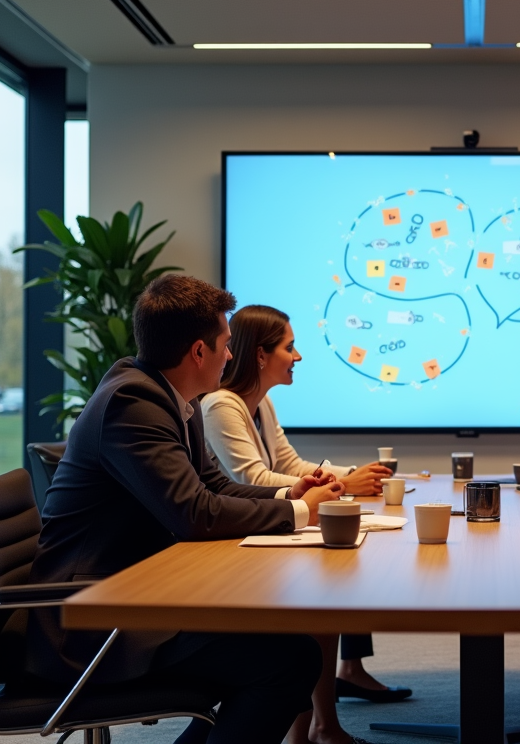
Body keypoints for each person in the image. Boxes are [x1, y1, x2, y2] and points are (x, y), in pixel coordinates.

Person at [27, 275, 345, 744]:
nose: (231, 355)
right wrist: (301, 515)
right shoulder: (132, 403)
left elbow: (213, 485)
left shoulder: (169, 396)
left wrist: (291, 495)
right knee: (289, 660)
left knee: (281, 646)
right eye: (226, 344)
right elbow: (194, 513)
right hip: (91, 623)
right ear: (199, 352)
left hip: (133, 594)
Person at [201, 304, 411, 744]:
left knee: (332, 579)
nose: (297, 356)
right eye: (289, 347)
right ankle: (319, 729)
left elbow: (291, 464)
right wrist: (343, 483)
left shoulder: (262, 403)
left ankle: (319, 729)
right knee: (325, 581)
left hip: (264, 527)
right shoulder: (222, 405)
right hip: (234, 545)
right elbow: (251, 480)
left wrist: (347, 479)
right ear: (260, 355)